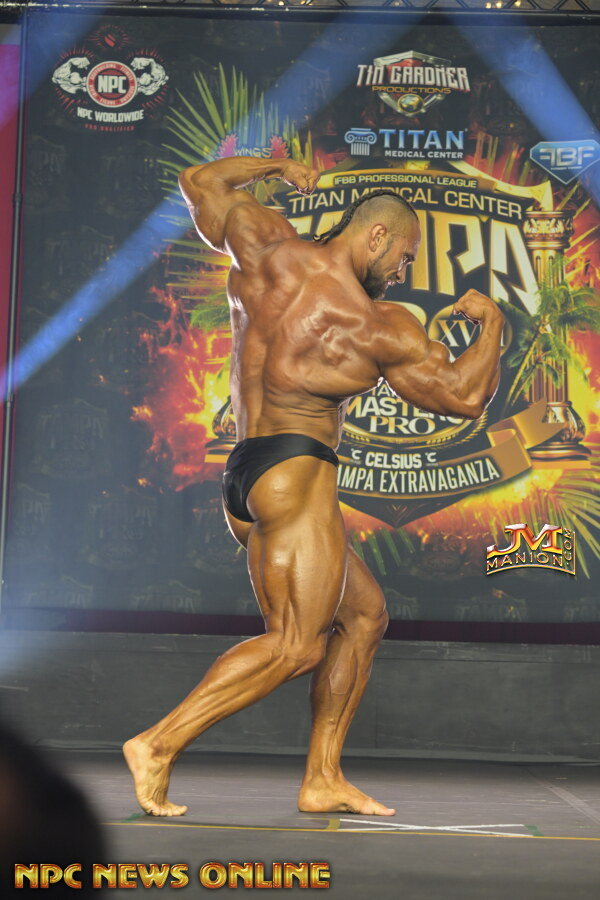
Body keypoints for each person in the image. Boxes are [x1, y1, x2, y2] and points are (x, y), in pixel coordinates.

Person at [124, 157, 504, 817]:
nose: (403, 272)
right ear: (377, 237)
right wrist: (492, 323)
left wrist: (273, 165)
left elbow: (201, 182)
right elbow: (465, 397)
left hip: (249, 473)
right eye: (406, 256)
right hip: (298, 474)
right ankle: (159, 743)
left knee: (364, 616)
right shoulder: (376, 324)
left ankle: (322, 777)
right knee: (297, 643)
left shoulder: (265, 246)